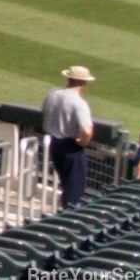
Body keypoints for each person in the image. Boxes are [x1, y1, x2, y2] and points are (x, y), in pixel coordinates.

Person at [40, 65, 96, 209]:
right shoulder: (78, 102)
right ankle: (67, 219)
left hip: (53, 143)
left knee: (66, 184)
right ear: (84, 82)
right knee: (74, 188)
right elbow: (87, 131)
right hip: (70, 147)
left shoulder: (52, 93)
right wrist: (82, 143)